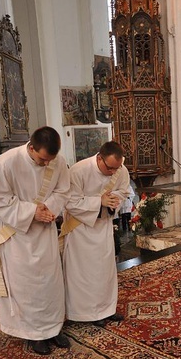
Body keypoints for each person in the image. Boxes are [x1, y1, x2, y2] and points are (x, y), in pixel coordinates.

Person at [0, 126, 71, 355]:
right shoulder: (6, 163)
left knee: (50, 283)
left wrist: (50, 209)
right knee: (28, 287)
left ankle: (53, 328)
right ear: (31, 147)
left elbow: (64, 191)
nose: (46, 164)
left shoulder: (57, 161)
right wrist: (32, 212)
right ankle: (34, 335)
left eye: (50, 160)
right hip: (18, 236)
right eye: (42, 159)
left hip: (44, 230)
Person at [62, 140, 131, 327]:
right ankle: (86, 313)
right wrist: (98, 201)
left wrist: (113, 201)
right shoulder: (78, 171)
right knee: (85, 274)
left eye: (116, 169)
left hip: (103, 226)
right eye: (109, 168)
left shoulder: (120, 170)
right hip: (81, 230)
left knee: (104, 271)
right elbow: (70, 202)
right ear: (99, 158)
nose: (112, 173)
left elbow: (123, 192)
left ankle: (106, 309)